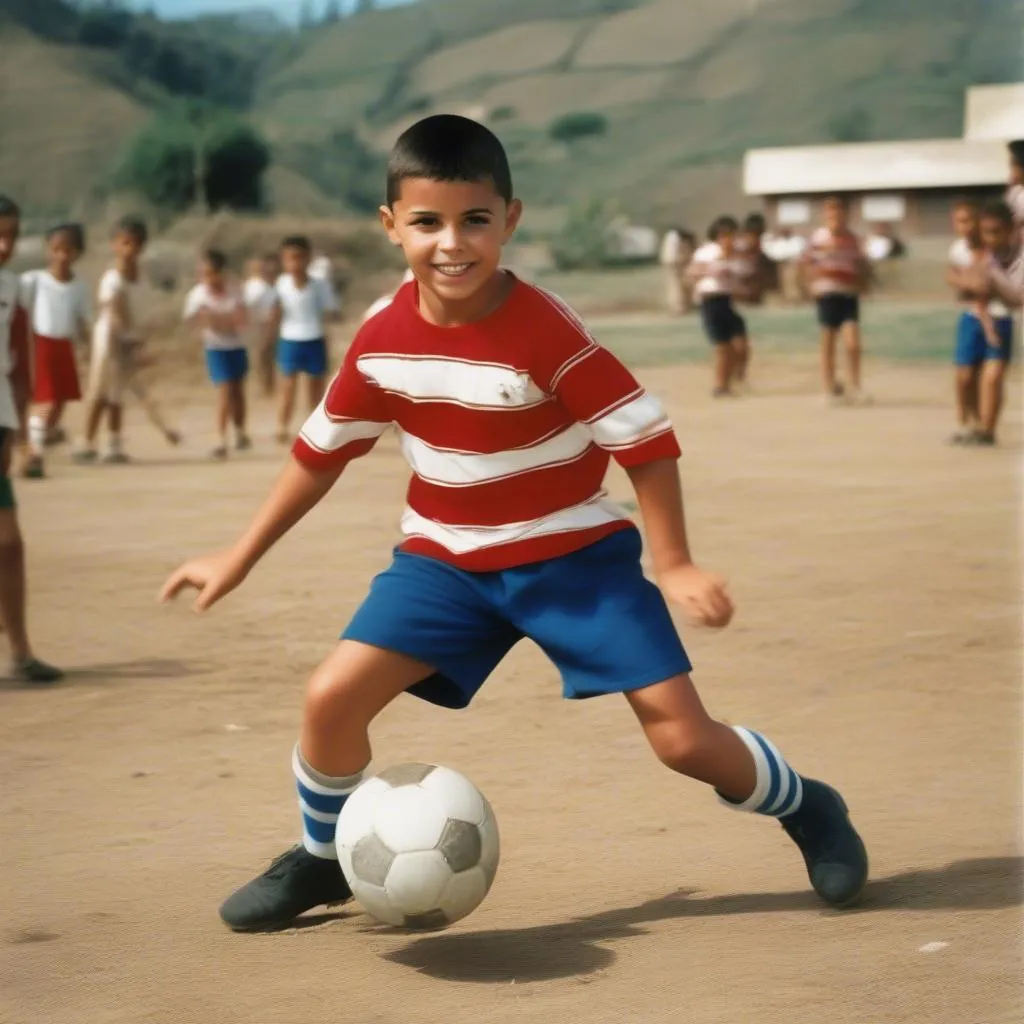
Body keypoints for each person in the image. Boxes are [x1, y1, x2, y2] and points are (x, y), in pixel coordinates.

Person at [161, 114, 869, 934]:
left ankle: (809, 806)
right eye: (426, 222)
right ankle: (325, 860)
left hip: (576, 562)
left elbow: (643, 441)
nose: (451, 243)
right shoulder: (382, 341)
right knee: (330, 701)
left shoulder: (544, 330)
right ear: (391, 226)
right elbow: (322, 453)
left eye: (475, 221)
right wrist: (238, 556)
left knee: (683, 741)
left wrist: (672, 562)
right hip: (445, 564)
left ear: (511, 220)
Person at [0, 195, 62, 683]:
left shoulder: (13, 286)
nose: (5, 244)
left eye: (12, 234)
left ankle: (20, 650)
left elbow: (19, 362)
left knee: (8, 543)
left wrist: (19, 432)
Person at [74, 217, 180, 464]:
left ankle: (113, 443)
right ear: (115, 245)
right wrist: (124, 341)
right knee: (100, 391)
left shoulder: (141, 279)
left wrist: (136, 342)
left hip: (128, 338)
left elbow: (139, 314)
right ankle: (86, 443)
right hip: (109, 339)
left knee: (117, 394)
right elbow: (113, 312)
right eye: (125, 243)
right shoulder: (112, 279)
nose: (130, 249)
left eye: (136, 244)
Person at [947, 200, 1022, 446]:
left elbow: (1016, 298)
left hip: (1002, 320)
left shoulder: (1017, 258)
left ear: (1011, 230)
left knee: (993, 377)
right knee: (966, 376)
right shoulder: (974, 253)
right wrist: (967, 284)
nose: (991, 238)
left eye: (997, 232)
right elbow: (961, 281)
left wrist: (995, 291)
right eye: (986, 232)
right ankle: (970, 420)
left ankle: (988, 431)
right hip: (973, 319)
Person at [20, 223, 91, 479]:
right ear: (49, 250)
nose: (62, 255)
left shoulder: (79, 286)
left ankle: (40, 436)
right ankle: (34, 450)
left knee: (61, 400)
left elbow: (83, 320)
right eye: (57, 249)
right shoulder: (34, 280)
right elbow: (20, 312)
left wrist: (89, 348)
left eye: (68, 250)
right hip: (42, 345)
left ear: (78, 252)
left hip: (64, 345)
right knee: (47, 401)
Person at [799, 196, 871, 405]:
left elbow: (862, 264)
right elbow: (804, 263)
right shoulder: (817, 238)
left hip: (848, 294)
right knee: (828, 343)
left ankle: (854, 386)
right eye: (831, 213)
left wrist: (863, 282)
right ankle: (828, 387)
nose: (835, 218)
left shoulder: (854, 239)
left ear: (847, 216)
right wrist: (809, 286)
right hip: (827, 293)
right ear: (825, 216)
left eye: (839, 213)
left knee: (853, 343)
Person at [271, 236, 340, 443]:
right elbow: (275, 312)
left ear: (308, 259)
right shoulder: (281, 284)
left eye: (299, 258)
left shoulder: (319, 285)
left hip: (314, 338)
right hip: (289, 339)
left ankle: (314, 428)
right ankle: (282, 426)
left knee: (315, 388)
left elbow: (332, 311)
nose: (294, 263)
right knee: (288, 387)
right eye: (289, 258)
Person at [184, 249, 251, 459]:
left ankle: (239, 431)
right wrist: (219, 320)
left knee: (238, 391)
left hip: (237, 346)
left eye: (211, 273)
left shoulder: (236, 291)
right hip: (215, 348)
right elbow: (193, 321)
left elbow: (239, 321)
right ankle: (220, 438)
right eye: (203, 273)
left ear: (221, 272)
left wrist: (214, 318)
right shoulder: (197, 294)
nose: (207, 279)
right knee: (225, 390)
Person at [687, 216, 755, 396]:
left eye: (732, 234)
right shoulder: (708, 252)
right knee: (723, 347)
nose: (729, 239)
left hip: (727, 300)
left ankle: (737, 377)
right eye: (725, 235)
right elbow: (692, 271)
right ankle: (720, 385)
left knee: (741, 345)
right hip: (710, 301)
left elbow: (747, 273)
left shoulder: (737, 255)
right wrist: (713, 265)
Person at [243, 253, 280, 397]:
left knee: (265, 357)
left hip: (265, 324)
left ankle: (268, 386)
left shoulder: (267, 287)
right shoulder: (249, 285)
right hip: (254, 324)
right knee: (259, 357)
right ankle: (264, 385)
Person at [659, 227, 696, 314]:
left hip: (671, 262)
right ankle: (680, 307)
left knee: (676, 285)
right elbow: (680, 254)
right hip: (675, 263)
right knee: (677, 286)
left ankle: (681, 305)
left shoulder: (671, 237)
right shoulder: (676, 238)